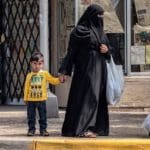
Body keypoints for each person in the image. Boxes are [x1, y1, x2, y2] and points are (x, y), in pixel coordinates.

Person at [59, 4, 111, 138]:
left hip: (100, 72)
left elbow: (110, 52)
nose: (100, 18)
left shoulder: (101, 32)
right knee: (87, 98)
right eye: (98, 15)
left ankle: (97, 128)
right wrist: (65, 71)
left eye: (102, 15)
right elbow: (71, 52)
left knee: (97, 98)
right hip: (85, 71)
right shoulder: (79, 31)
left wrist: (107, 51)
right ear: (90, 15)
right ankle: (83, 128)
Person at [24, 51, 63, 136]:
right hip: (31, 100)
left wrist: (59, 80)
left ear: (43, 64)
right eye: (35, 63)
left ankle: (43, 130)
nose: (37, 66)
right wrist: (25, 98)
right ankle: (31, 130)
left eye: (39, 63)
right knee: (31, 116)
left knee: (43, 116)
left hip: (41, 99)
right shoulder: (29, 75)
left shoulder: (44, 74)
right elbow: (26, 87)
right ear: (31, 63)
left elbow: (52, 80)